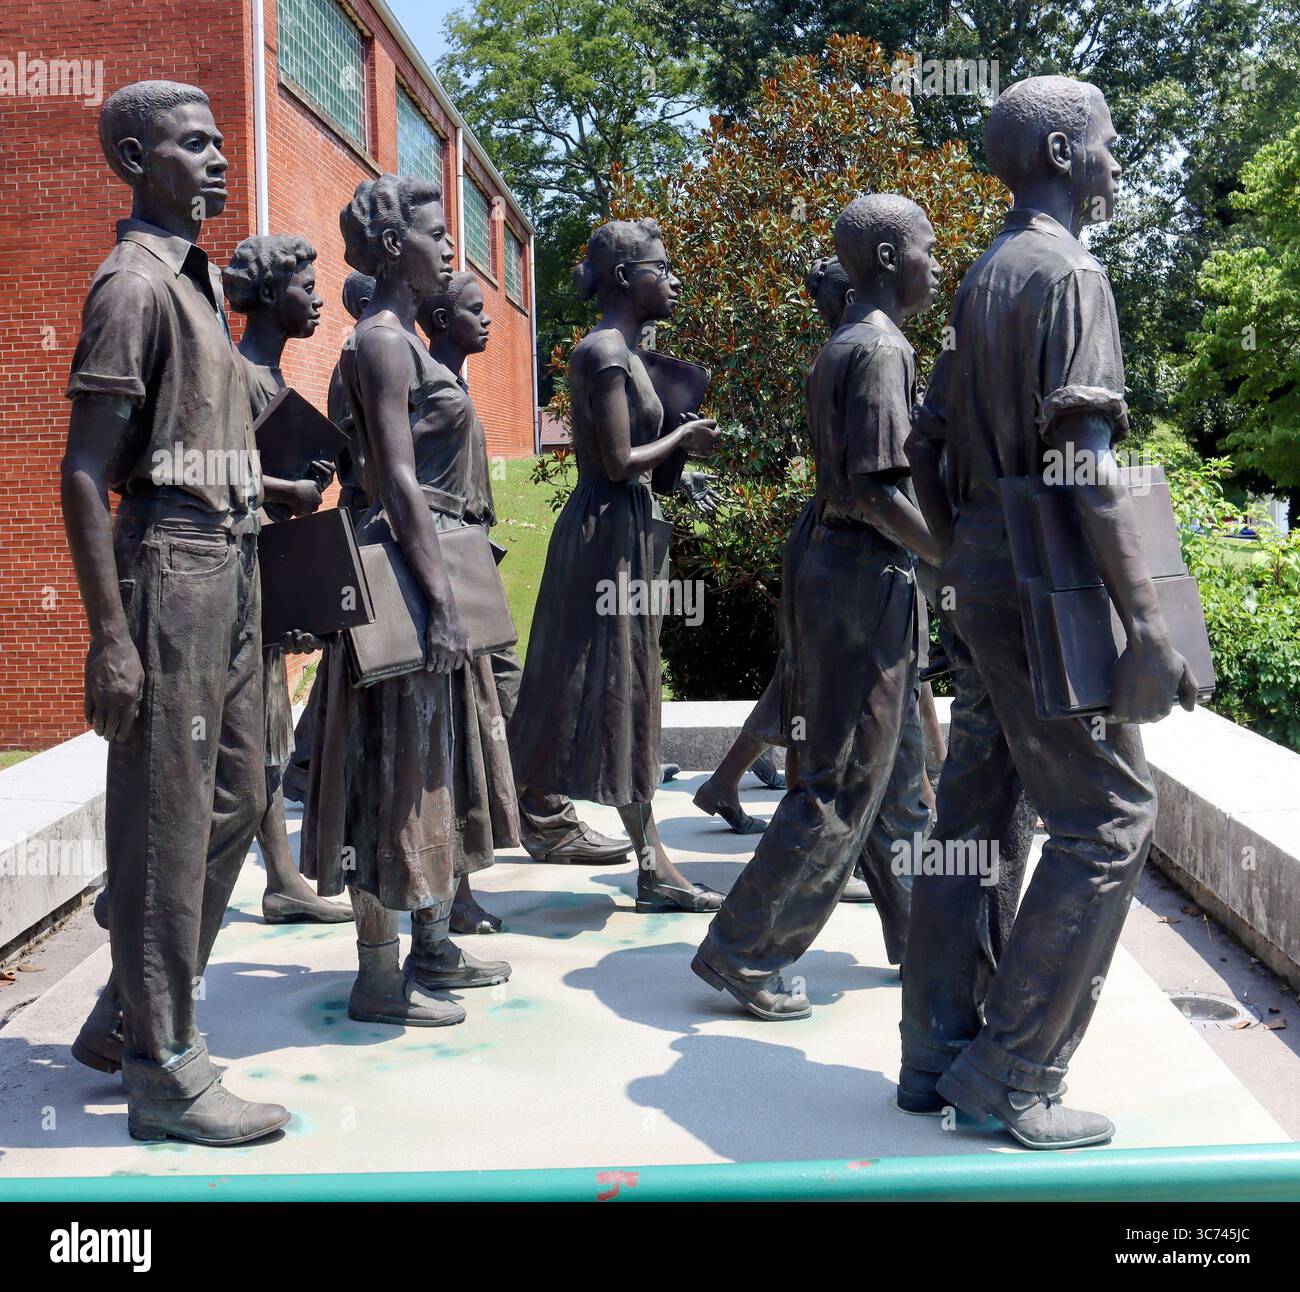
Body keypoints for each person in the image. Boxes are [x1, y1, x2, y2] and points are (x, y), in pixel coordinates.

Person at [899, 77, 1197, 1149]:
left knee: (972, 815)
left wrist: (962, 554)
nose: (1118, 162)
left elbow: (924, 451)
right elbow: (1082, 460)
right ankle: (1012, 1072)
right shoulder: (1068, 274)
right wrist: (1149, 627)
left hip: (984, 572)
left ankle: (933, 1049)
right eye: (1111, 144)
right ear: (1066, 151)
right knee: (1107, 819)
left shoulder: (984, 274)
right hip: (1041, 585)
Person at [62, 81, 287, 1144]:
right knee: (166, 818)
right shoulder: (131, 286)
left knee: (242, 789)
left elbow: (209, 430)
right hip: (172, 574)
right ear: (131, 156)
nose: (218, 159)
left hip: (230, 562)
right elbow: (82, 473)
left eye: (218, 142)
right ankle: (164, 1068)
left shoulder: (197, 286)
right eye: (193, 145)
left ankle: (125, 1007)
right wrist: (110, 636)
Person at [692, 195, 944, 1018]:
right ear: (882, 257)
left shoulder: (861, 341)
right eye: (926, 248)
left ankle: (923, 945)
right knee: (839, 779)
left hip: (856, 575)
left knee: (900, 781)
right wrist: (957, 555)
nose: (937, 263)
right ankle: (744, 951)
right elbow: (872, 489)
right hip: (863, 577)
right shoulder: (877, 349)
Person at [300, 174, 515, 1026]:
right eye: (435, 232)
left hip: (430, 560)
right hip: (401, 575)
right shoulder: (381, 343)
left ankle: (433, 943)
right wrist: (443, 599)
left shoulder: (401, 343)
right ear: (394, 246)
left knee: (435, 763)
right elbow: (392, 477)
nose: (449, 247)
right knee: (394, 770)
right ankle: (378, 975)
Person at [509, 218, 724, 913]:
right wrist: (685, 436)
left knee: (625, 689)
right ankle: (531, 816)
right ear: (628, 278)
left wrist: (683, 466)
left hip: (627, 528)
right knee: (596, 686)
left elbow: (641, 465)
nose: (673, 280)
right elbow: (615, 462)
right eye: (662, 268)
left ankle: (647, 859)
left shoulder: (627, 353)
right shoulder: (603, 351)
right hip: (605, 538)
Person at [222, 233, 353, 925]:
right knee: (241, 741)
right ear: (272, 295)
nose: (319, 299)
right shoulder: (232, 373)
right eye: (307, 286)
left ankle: (280, 879)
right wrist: (290, 490)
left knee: (271, 730)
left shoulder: (275, 384)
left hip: (270, 571)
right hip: (234, 578)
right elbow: (210, 470)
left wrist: (305, 486)